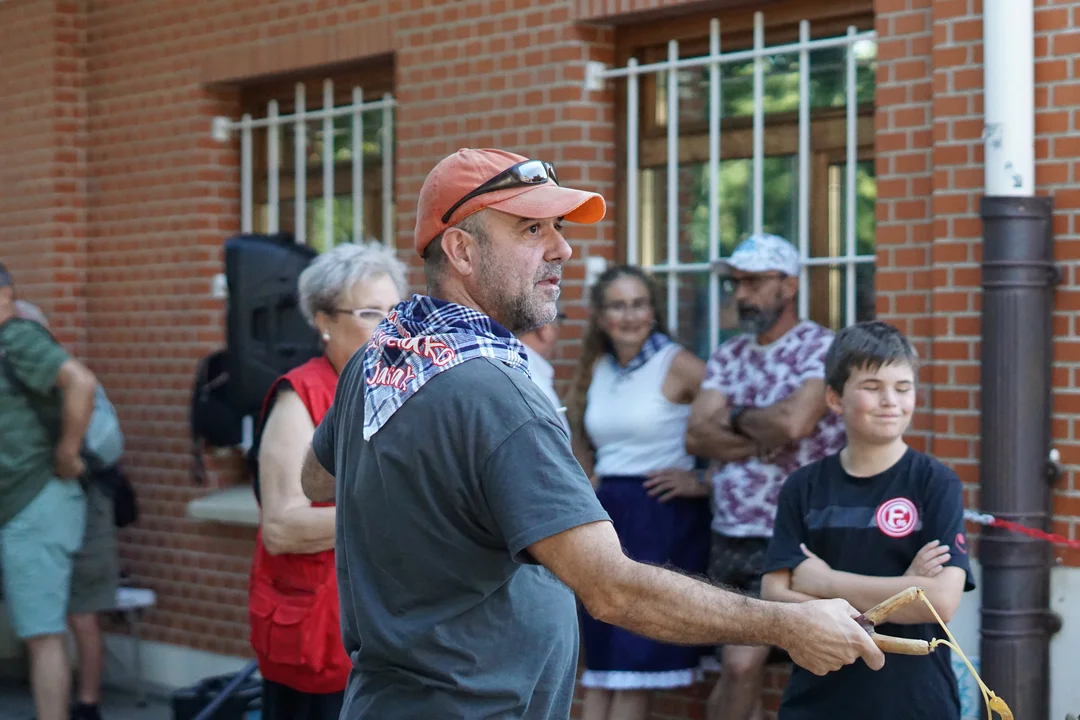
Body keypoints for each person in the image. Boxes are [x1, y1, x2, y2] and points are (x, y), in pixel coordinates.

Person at [299, 149, 884, 719]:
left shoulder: (385, 357)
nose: (562, 248)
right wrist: (789, 623)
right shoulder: (497, 395)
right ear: (461, 250)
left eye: (558, 227)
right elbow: (613, 591)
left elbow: (318, 477)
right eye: (532, 229)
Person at [760, 321, 974, 719]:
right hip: (817, 699)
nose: (890, 400)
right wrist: (904, 592)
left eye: (903, 387)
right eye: (872, 387)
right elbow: (775, 596)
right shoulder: (803, 487)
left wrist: (825, 583)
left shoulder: (935, 483)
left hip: (914, 701)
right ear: (835, 398)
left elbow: (940, 601)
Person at [685, 233, 848, 720]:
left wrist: (733, 416)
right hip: (728, 532)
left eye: (754, 282)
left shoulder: (822, 348)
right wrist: (761, 435)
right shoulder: (730, 353)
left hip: (791, 536)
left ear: (789, 285)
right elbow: (696, 434)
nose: (742, 293)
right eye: (736, 282)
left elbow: (793, 423)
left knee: (743, 665)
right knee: (738, 670)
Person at [247, 242, 406, 720]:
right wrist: (389, 514)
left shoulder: (399, 389)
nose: (390, 327)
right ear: (323, 321)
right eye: (370, 313)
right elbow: (281, 528)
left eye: (396, 312)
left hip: (391, 634)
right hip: (321, 634)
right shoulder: (300, 396)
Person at [566, 264, 712, 720]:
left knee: (635, 661)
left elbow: (730, 428)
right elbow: (577, 432)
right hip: (607, 516)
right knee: (604, 662)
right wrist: (587, 479)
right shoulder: (598, 366)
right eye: (617, 306)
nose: (629, 316)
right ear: (600, 316)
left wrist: (703, 481)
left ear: (654, 310)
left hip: (660, 518)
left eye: (638, 304)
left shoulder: (679, 363)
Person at [0, 263, 97, 720]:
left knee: (41, 633)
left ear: (5, 296)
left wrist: (67, 451)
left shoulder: (18, 338)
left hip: (34, 502)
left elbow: (81, 381)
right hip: (17, 506)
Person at [14, 300, 120, 720]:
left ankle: (81, 703)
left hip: (73, 499)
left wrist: (65, 457)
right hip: (85, 500)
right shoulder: (66, 373)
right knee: (78, 612)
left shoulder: (52, 376)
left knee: (68, 615)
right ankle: (84, 705)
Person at [517, 311, 569, 432]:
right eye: (558, 322)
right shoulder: (531, 378)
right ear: (544, 325)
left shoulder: (516, 366)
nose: (558, 331)